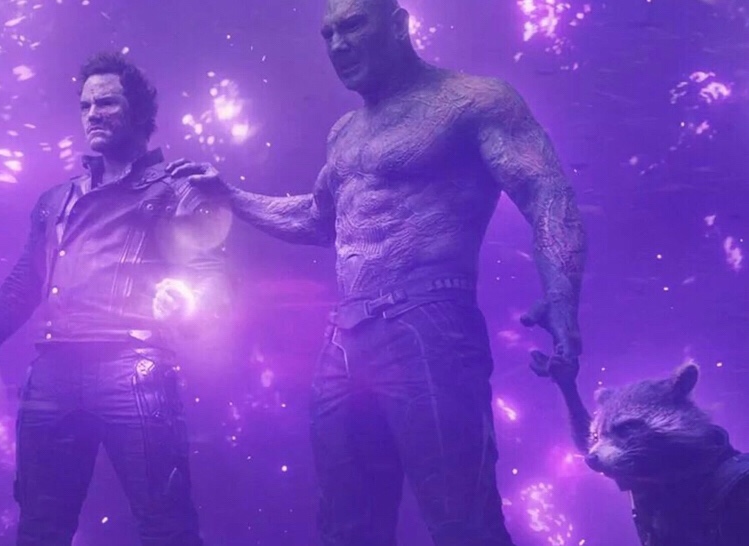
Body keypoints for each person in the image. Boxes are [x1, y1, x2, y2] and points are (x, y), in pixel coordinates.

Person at [167, 0, 587, 544]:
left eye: (352, 25)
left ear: (398, 24)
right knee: (347, 526)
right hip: (345, 336)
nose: (338, 45)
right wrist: (232, 196)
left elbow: (546, 190)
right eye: (328, 33)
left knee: (462, 519)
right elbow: (319, 219)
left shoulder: (474, 100)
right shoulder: (344, 132)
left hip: (430, 318)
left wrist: (562, 295)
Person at [0, 52, 228, 546]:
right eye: (86, 105)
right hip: (54, 371)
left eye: (107, 102)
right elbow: (23, 285)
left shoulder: (176, 187)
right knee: (40, 529)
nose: (93, 113)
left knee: (166, 525)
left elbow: (210, 274)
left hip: (133, 367)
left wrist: (186, 301)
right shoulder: (56, 200)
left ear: (138, 111)